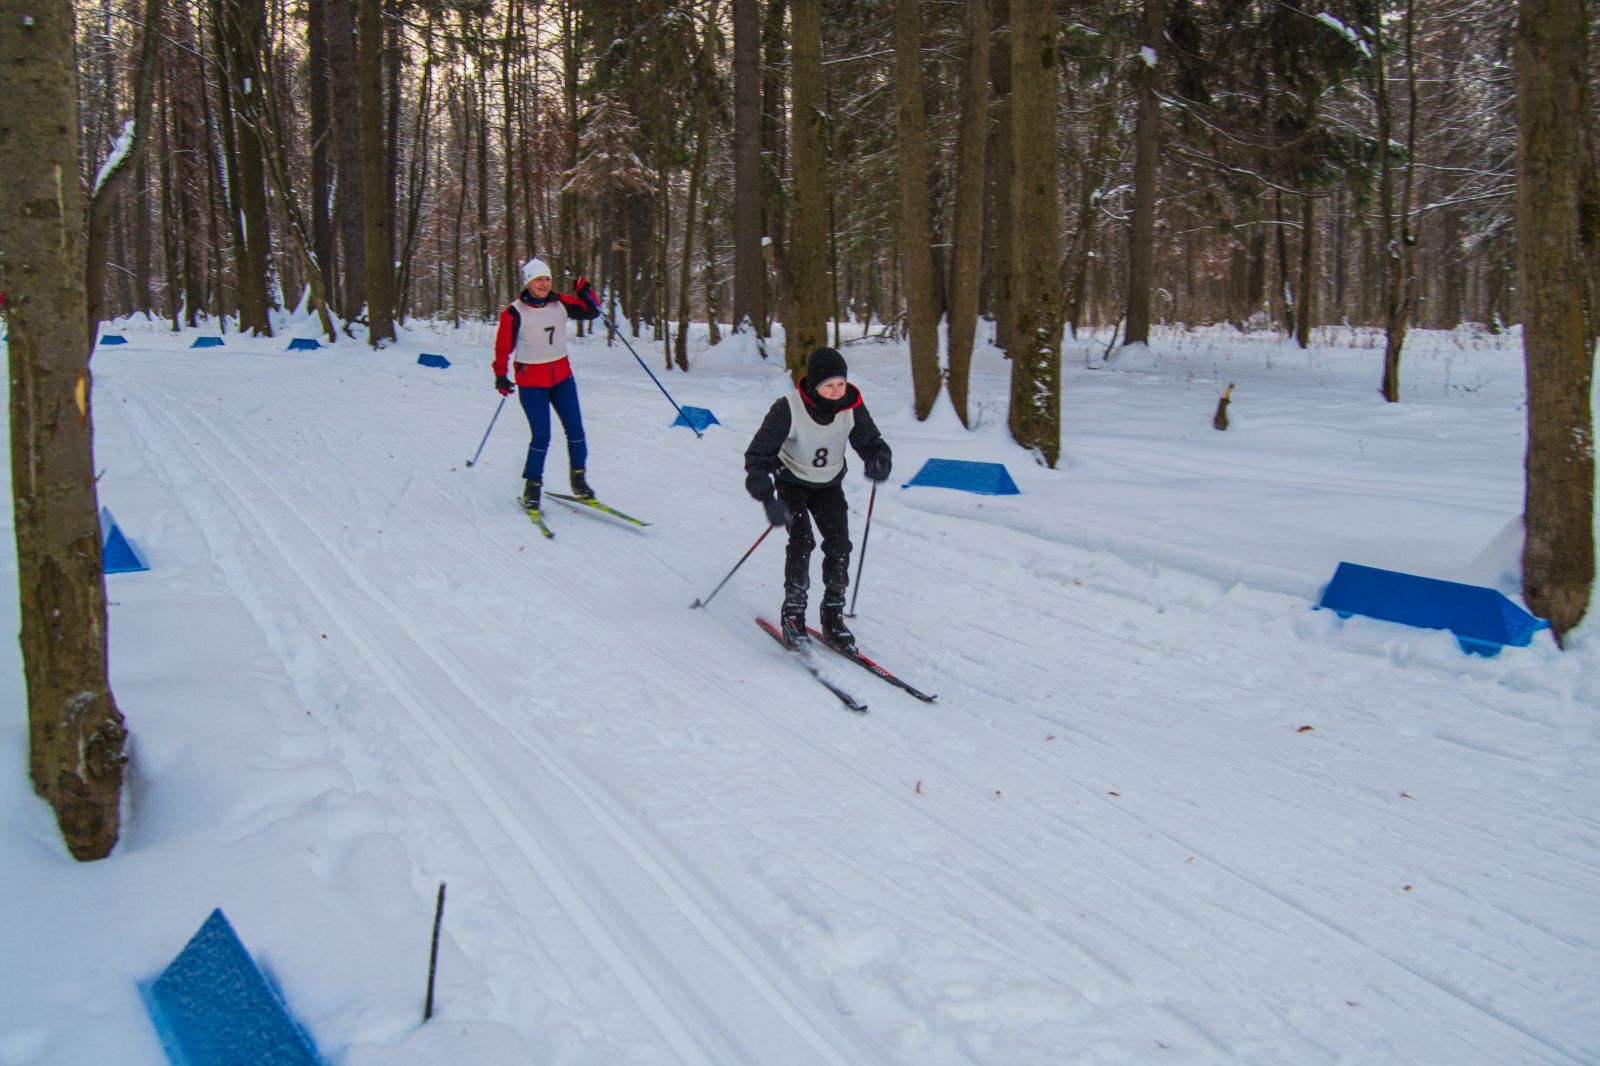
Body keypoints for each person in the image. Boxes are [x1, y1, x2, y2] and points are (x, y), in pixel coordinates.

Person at [744, 346, 891, 651]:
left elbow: (871, 442)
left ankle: (833, 615)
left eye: (841, 384)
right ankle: (793, 614)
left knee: (839, 545)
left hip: (829, 486)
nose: (837, 392)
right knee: (802, 542)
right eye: (829, 385)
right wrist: (769, 498)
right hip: (791, 484)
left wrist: (879, 459)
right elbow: (757, 458)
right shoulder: (788, 408)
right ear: (814, 384)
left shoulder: (852, 404)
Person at [493, 257, 603, 510]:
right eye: (538, 279)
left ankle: (579, 480)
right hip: (531, 382)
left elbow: (592, 311)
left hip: (562, 378)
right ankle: (532, 486)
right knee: (542, 435)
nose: (543, 284)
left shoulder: (560, 303)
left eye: (547, 279)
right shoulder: (513, 313)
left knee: (575, 430)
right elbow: (503, 348)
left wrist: (586, 291)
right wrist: (500, 375)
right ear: (528, 282)